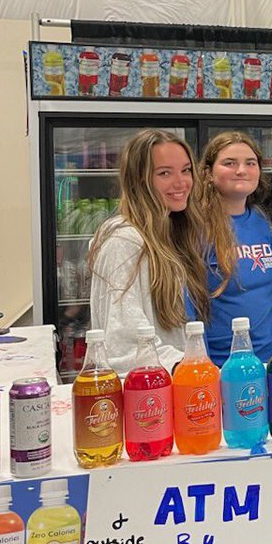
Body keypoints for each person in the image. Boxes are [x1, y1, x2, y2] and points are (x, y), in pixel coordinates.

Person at [89, 129, 208, 375]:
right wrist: (186, 368)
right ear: (139, 181)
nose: (181, 182)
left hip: (169, 387)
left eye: (185, 170)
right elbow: (125, 342)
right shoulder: (125, 242)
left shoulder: (169, 234)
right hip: (147, 397)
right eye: (165, 173)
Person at [195, 131, 272, 366]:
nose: (241, 170)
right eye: (229, 163)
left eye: (250, 163)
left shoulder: (260, 221)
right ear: (208, 173)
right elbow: (187, 308)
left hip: (266, 359)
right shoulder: (197, 227)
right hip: (221, 364)